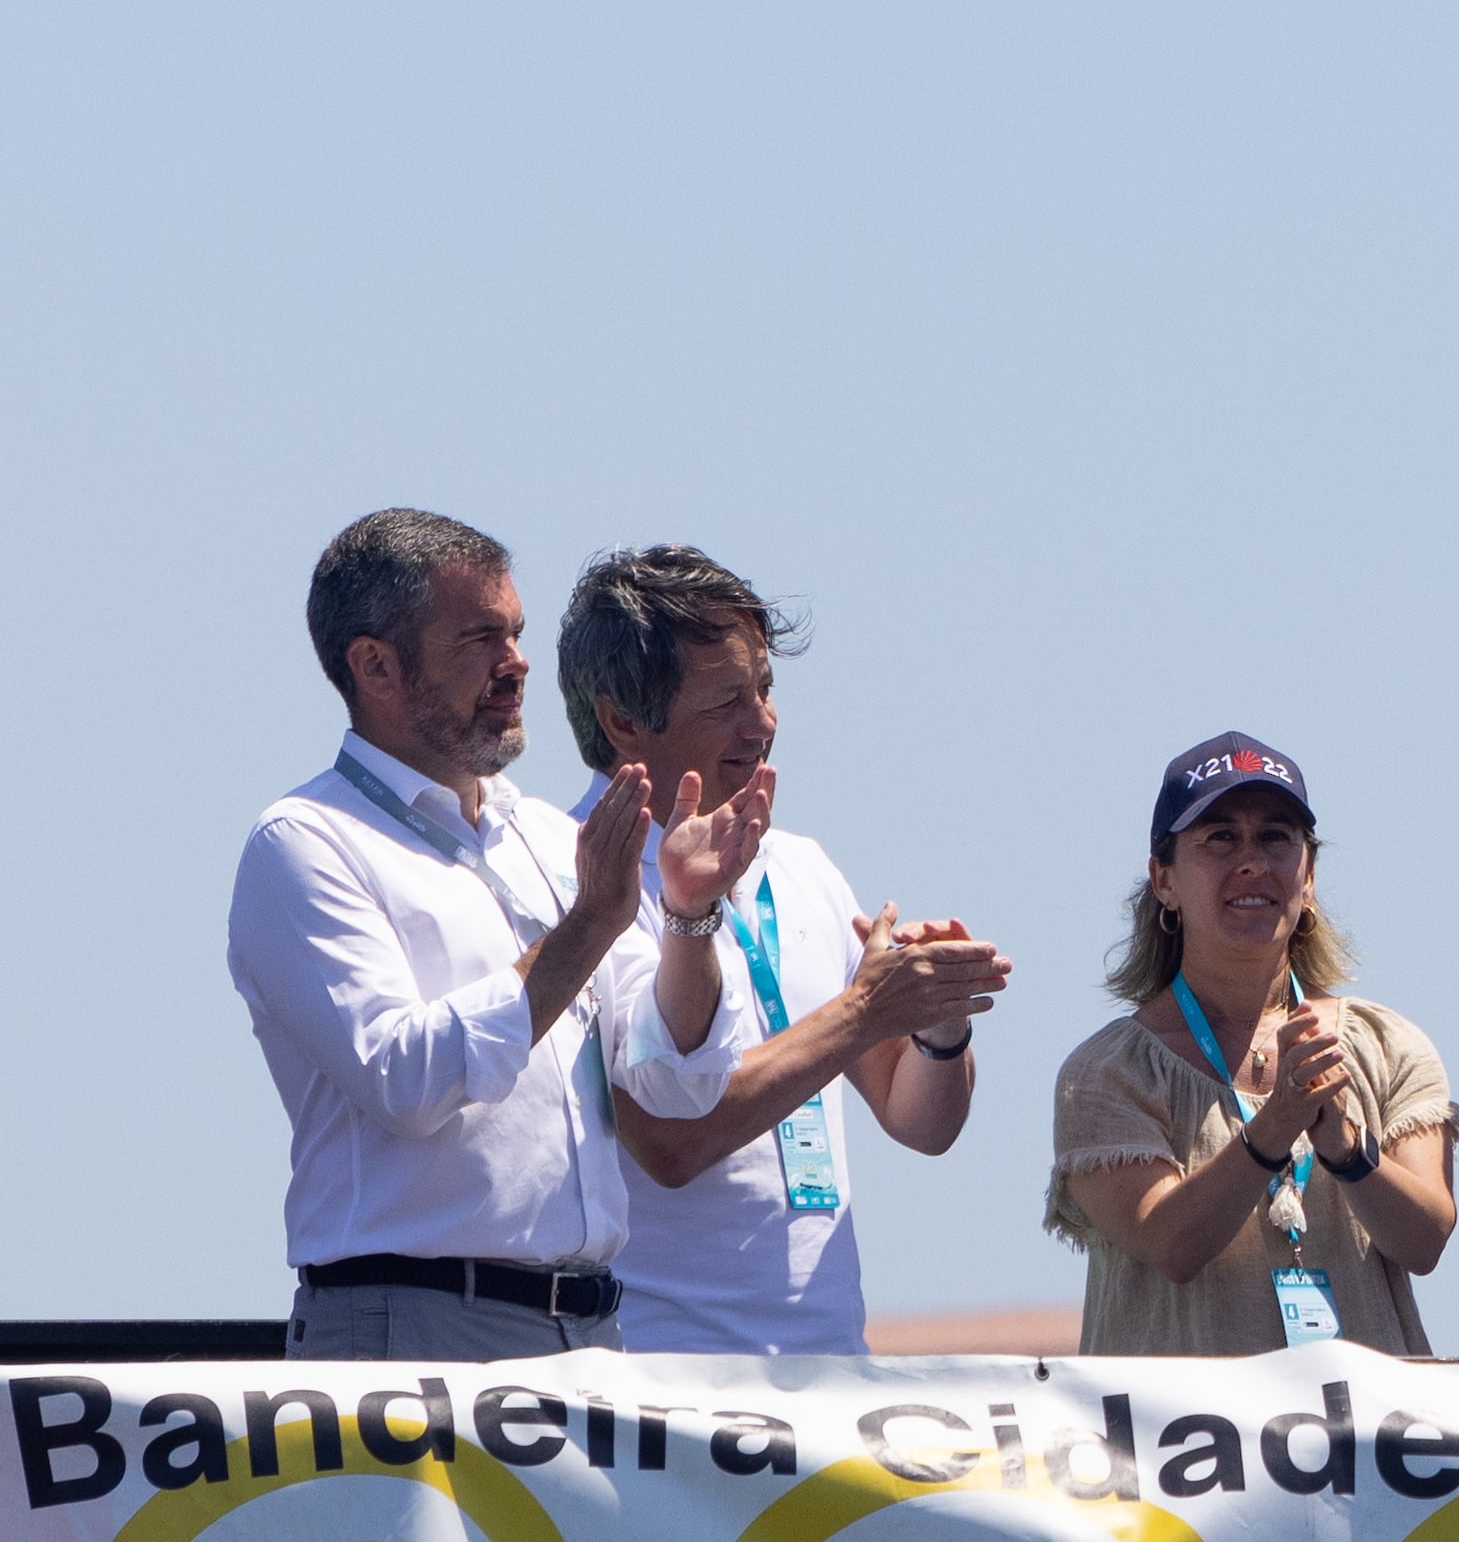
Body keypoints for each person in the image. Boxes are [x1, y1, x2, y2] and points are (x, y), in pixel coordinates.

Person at [230, 508, 772, 1360]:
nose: (516, 664)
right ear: (374, 664)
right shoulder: (303, 845)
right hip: (410, 1328)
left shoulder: (548, 840)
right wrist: (588, 926)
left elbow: (673, 1082)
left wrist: (691, 919)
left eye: (515, 633)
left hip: (590, 1333)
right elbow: (404, 1078)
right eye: (480, 638)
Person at [556, 546, 1014, 1355]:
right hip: (664, 1385)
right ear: (624, 719)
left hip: (826, 1373)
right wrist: (866, 1010)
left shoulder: (799, 865)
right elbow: (672, 1143)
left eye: (765, 689)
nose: (762, 722)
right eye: (728, 700)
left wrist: (940, 1025)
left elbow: (920, 1123)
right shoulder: (572, 880)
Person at [1044, 734, 1459, 1357]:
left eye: (1275, 837)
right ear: (1164, 880)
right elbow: (1172, 1244)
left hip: (1370, 1447)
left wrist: (1345, 1150)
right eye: (1219, 838)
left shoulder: (1387, 1045)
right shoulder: (1106, 1074)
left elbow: (1425, 1241)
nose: (1252, 863)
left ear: (1309, 875)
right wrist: (1277, 1127)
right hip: (1182, 1449)